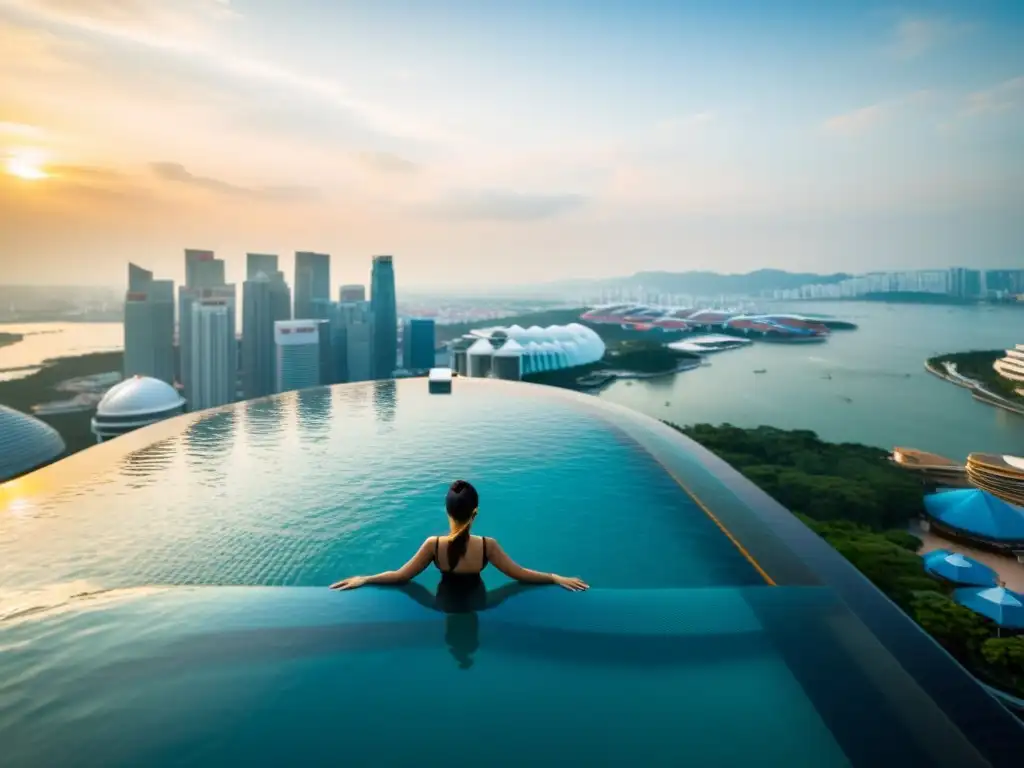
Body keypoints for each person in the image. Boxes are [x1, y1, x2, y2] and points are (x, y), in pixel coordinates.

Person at [329, 479, 589, 593]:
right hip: (477, 601)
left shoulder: (434, 546)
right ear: (475, 512)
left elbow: (400, 576)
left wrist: (365, 579)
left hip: (444, 603)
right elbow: (520, 574)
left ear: (447, 512)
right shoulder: (488, 546)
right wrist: (556, 577)